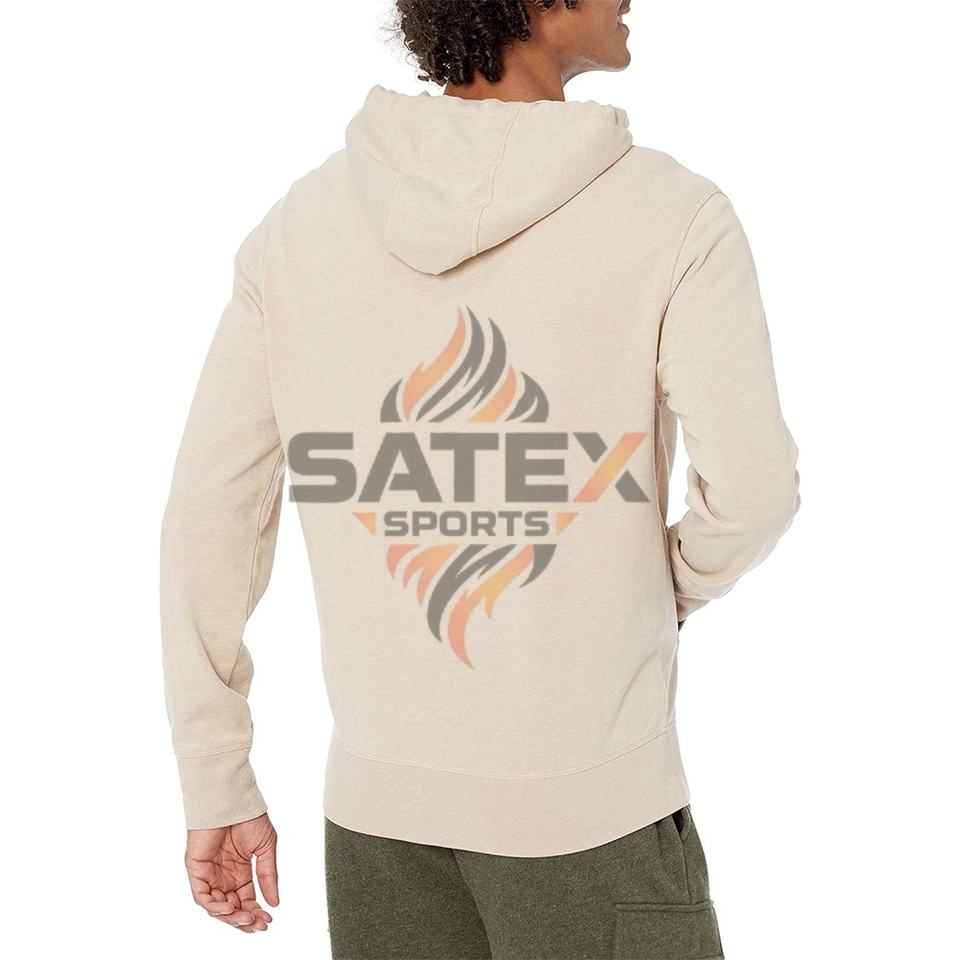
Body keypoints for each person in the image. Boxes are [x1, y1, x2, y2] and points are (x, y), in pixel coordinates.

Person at [160, 1, 799, 956]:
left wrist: (217, 778)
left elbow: (209, 516)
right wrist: (654, 589)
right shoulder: (672, 218)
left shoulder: (301, 228)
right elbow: (754, 489)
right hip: (592, 813)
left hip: (379, 821)